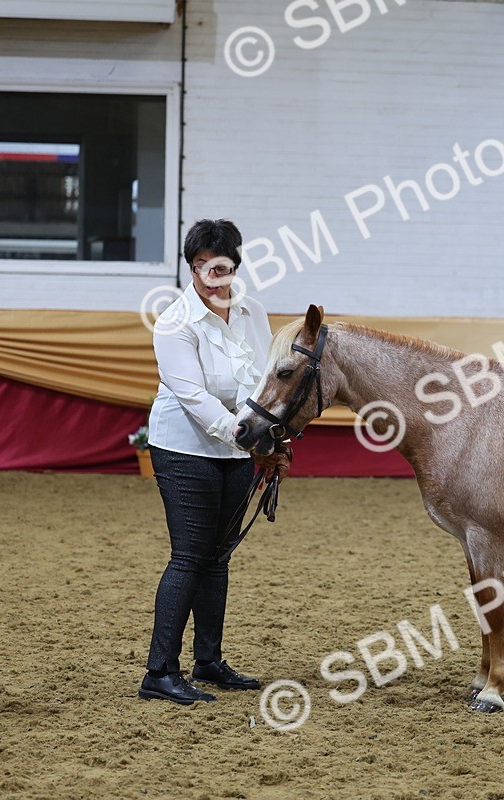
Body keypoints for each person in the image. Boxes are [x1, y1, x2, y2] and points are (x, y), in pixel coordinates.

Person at [138, 219, 290, 705]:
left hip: (235, 449)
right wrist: (251, 441)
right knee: (189, 556)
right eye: (199, 265)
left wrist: (271, 439)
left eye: (219, 266)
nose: (209, 275)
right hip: (184, 448)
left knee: (218, 558)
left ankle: (208, 661)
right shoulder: (174, 323)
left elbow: (261, 382)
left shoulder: (253, 312)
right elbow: (195, 399)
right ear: (190, 268)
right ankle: (159, 672)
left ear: (235, 267)